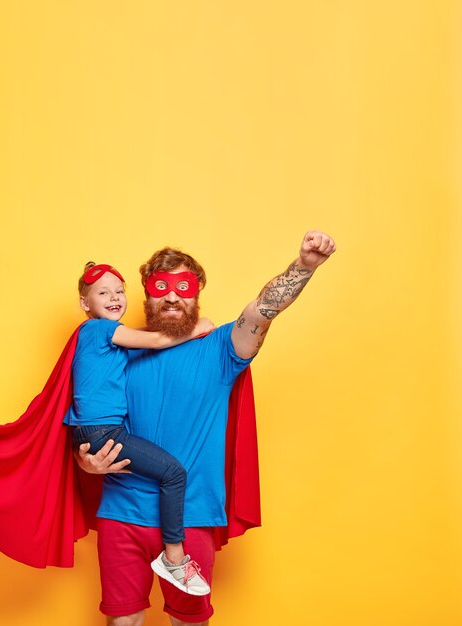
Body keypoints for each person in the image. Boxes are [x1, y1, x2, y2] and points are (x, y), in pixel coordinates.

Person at [76, 231, 337, 626]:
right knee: (121, 621)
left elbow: (263, 309)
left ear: (197, 295)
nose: (172, 297)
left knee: (189, 621)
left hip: (190, 516)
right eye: (160, 288)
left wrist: (304, 266)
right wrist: (87, 464)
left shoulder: (220, 348)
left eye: (184, 287)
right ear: (146, 297)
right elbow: (92, 419)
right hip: (122, 512)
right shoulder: (121, 350)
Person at [64, 262, 214, 595]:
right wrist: (197, 328)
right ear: (85, 304)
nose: (114, 298)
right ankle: (174, 557)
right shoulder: (99, 330)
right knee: (174, 473)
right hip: (103, 432)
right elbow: (158, 340)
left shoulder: (96, 339)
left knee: (166, 470)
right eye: (103, 292)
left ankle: (172, 556)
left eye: (119, 291)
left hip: (95, 432)